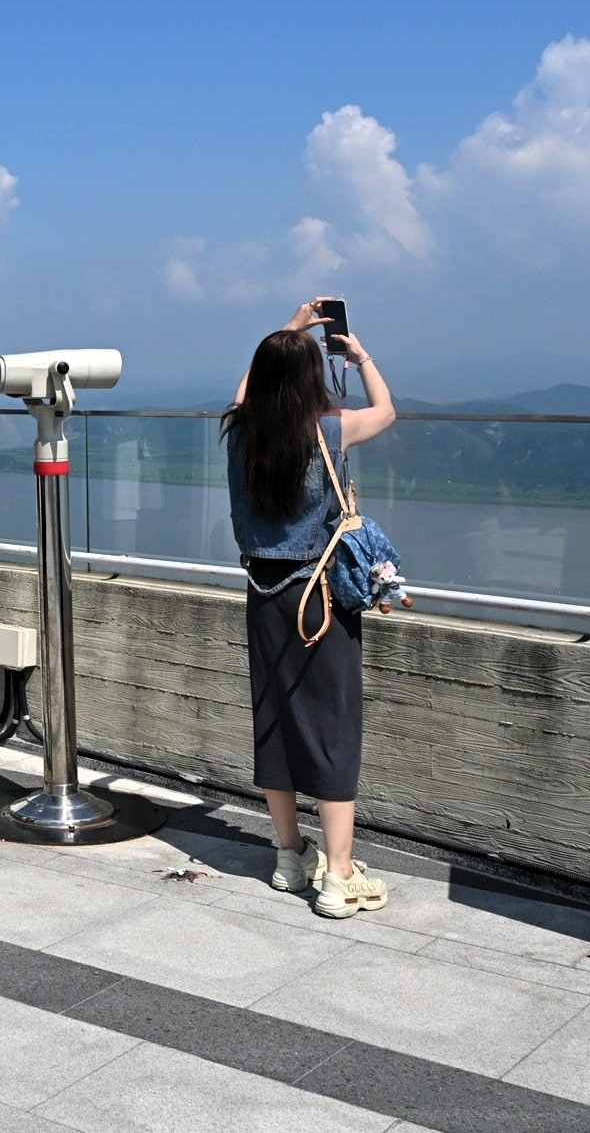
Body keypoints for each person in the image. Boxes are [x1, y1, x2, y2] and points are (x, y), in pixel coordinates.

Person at [223, 300, 397, 919]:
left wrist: (289, 329)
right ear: (309, 383)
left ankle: (288, 858)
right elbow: (387, 412)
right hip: (319, 595)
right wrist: (360, 354)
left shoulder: (241, 431)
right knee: (331, 727)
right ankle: (339, 876)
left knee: (274, 720)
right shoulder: (325, 431)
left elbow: (247, 392)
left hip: (263, 593)